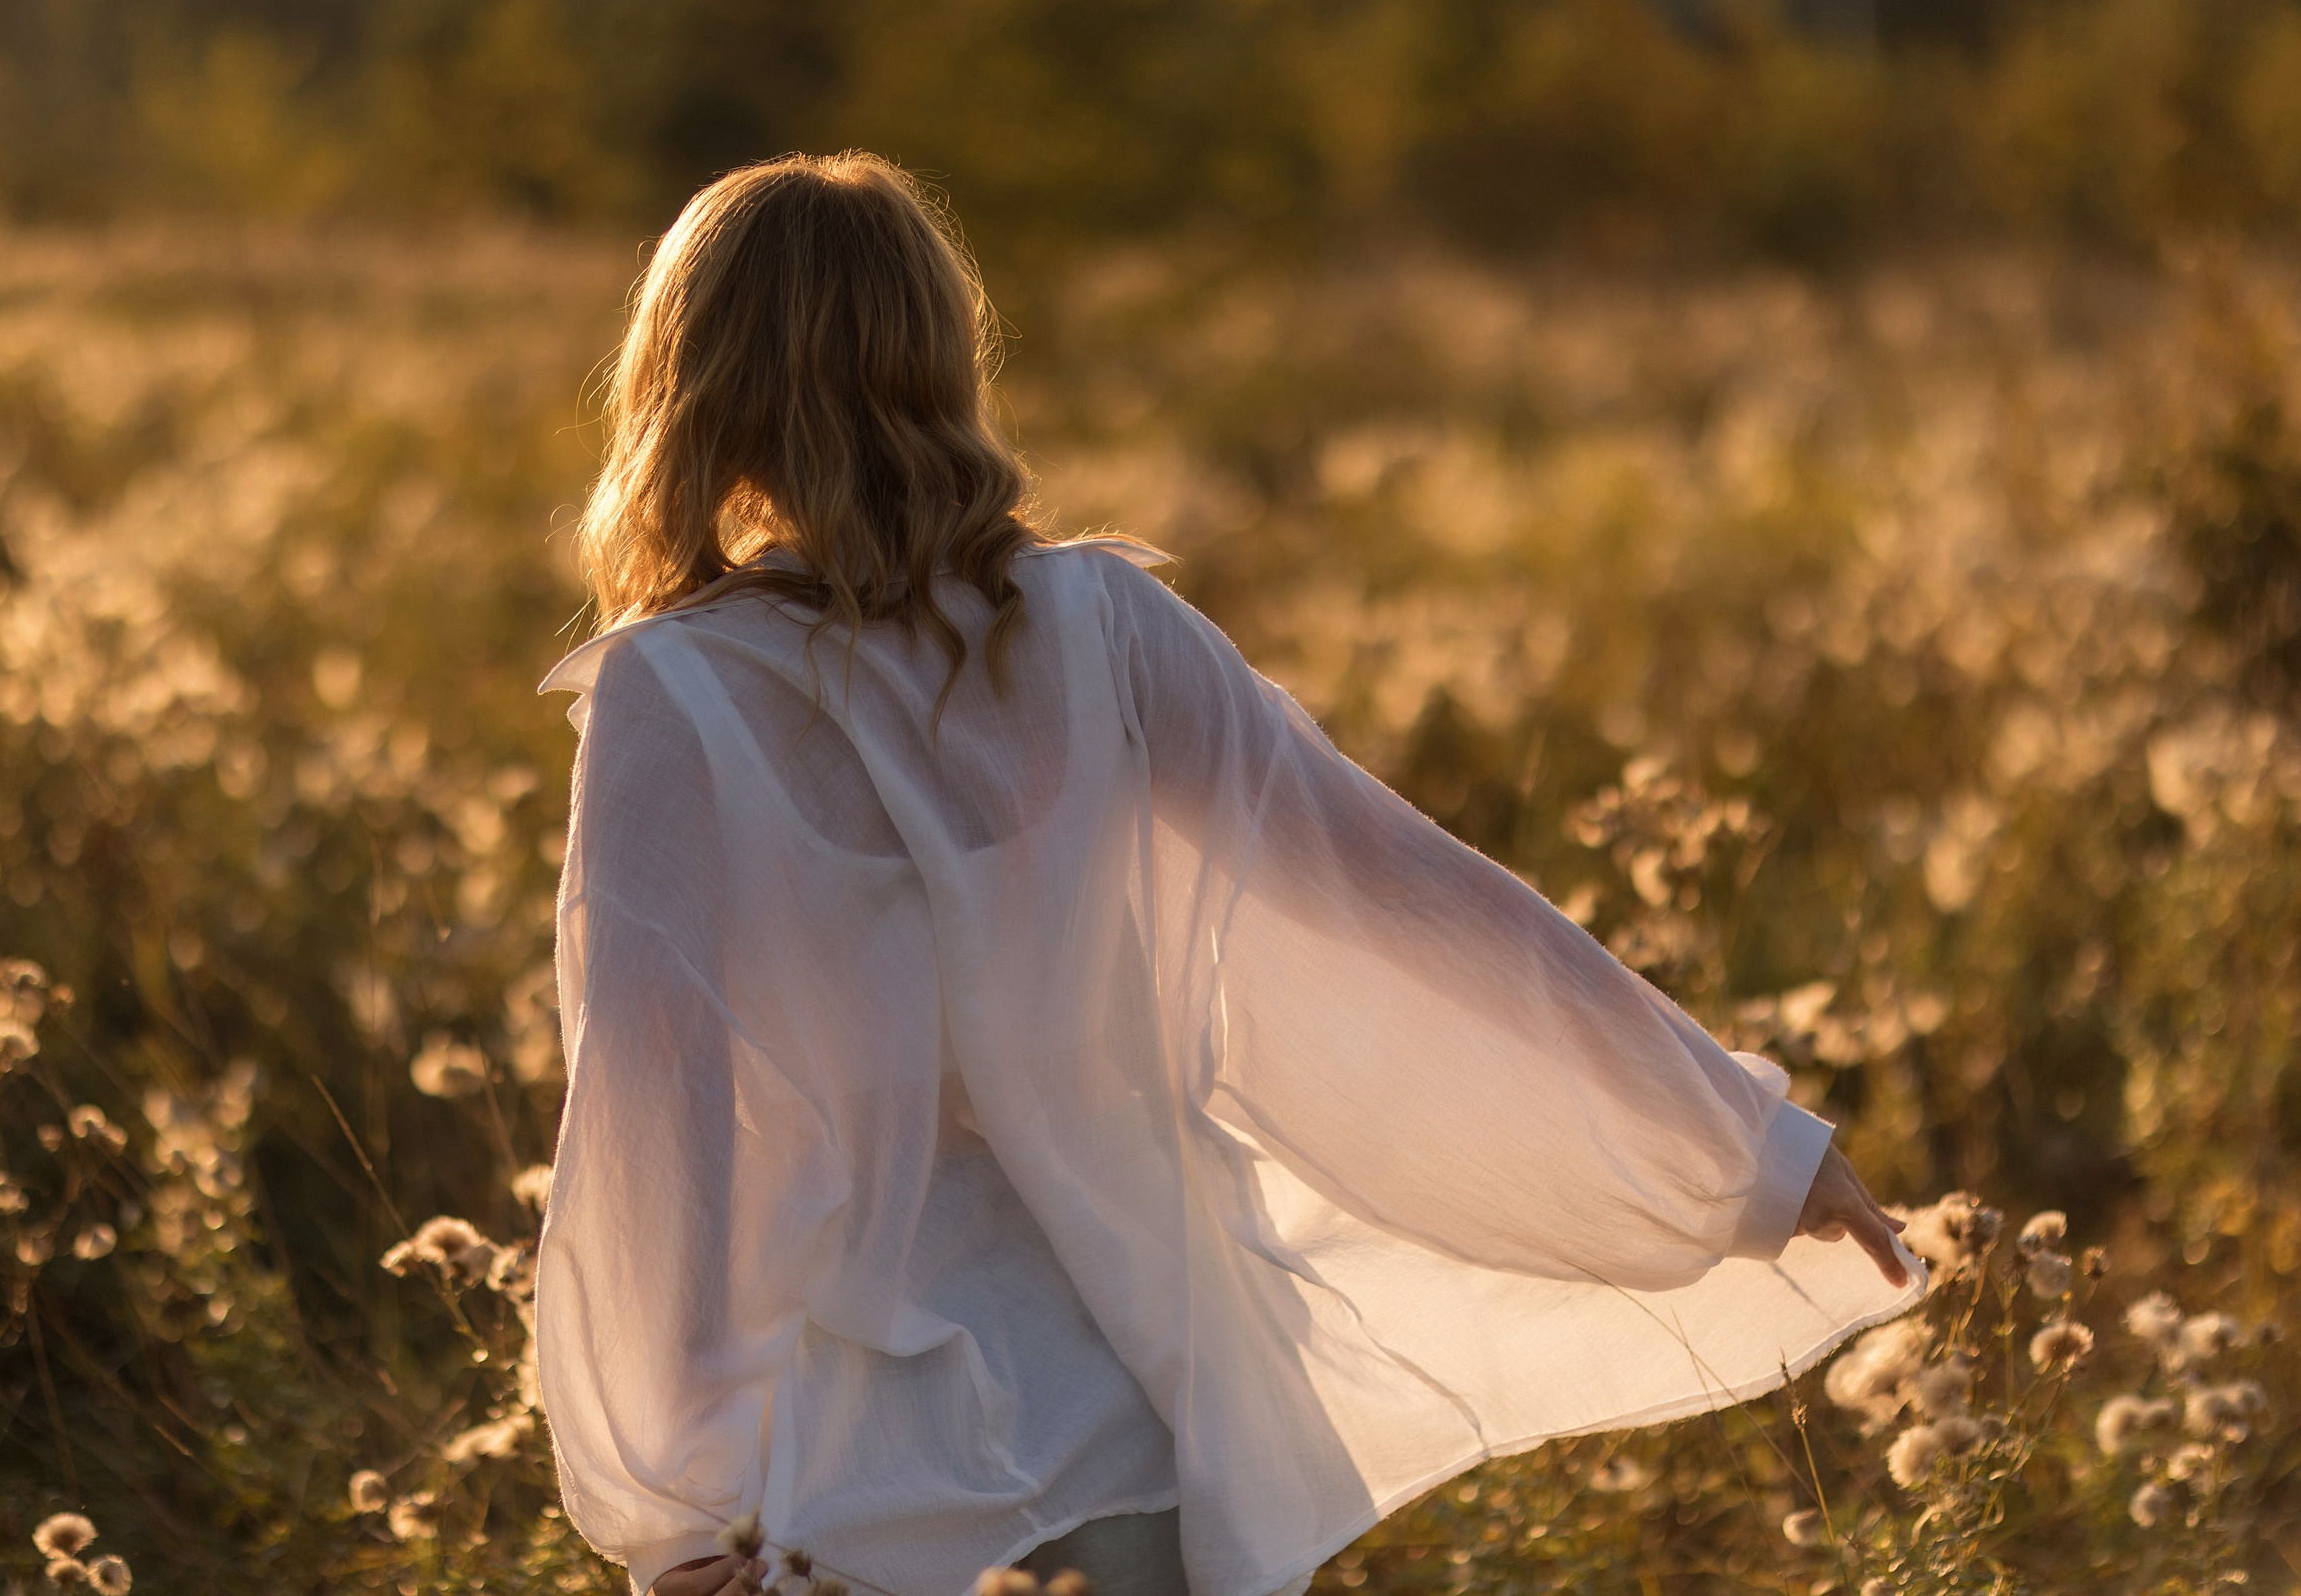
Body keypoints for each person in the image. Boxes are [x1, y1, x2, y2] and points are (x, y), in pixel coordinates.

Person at [531, 152, 1924, 1596]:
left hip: (869, 1488)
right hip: (1143, 1416)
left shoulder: (672, 696)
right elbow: (1406, 896)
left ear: (688, 385)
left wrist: (679, 1508)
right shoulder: (1096, 630)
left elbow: (656, 1102)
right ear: (936, 362)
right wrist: (1740, 1146)